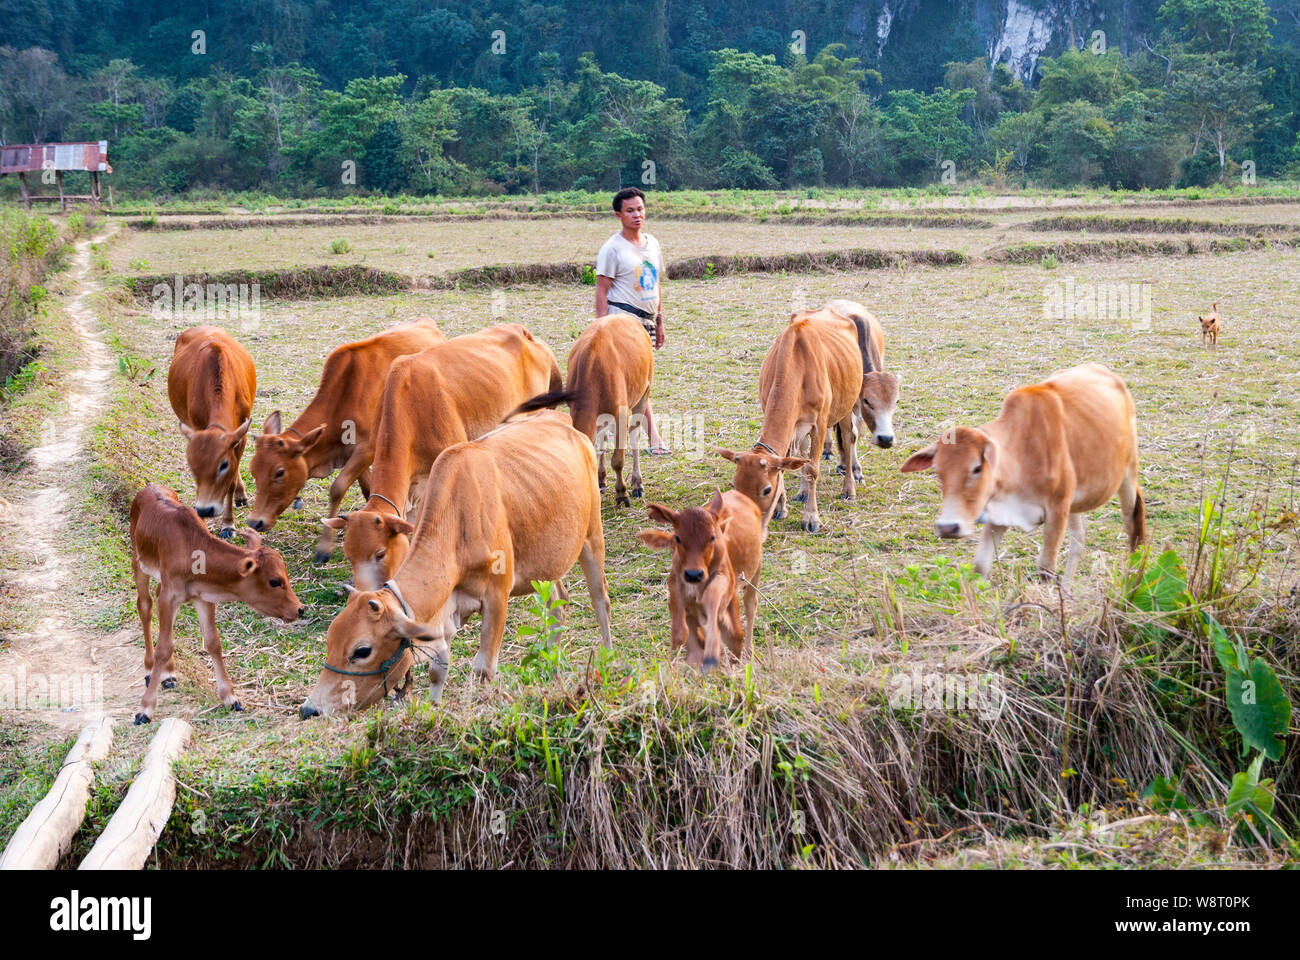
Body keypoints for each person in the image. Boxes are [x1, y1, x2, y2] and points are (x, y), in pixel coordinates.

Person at [595, 187, 670, 454]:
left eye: (640, 209)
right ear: (619, 215)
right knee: (631, 381)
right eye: (630, 211)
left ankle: (642, 438)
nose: (637, 215)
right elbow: (602, 291)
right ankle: (653, 438)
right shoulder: (612, 249)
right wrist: (601, 328)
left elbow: (656, 284)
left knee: (644, 380)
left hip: (647, 323)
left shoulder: (653, 244)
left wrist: (660, 321)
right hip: (621, 321)